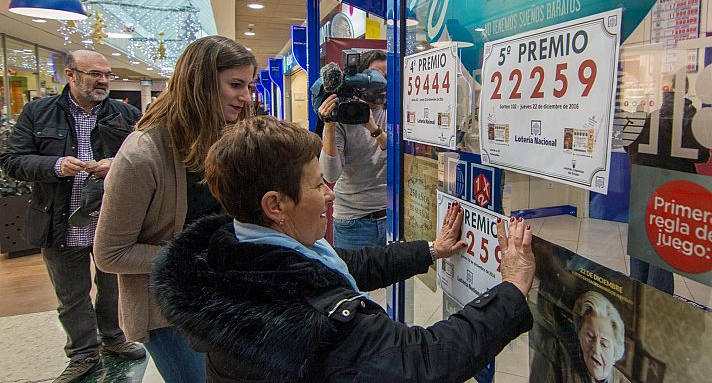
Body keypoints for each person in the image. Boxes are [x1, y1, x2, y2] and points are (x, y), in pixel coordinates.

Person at [151, 116, 536, 382]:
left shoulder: (234, 251)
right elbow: (422, 361)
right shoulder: (313, 322)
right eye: (318, 185)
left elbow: (346, 265)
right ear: (276, 205)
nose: (330, 194)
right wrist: (512, 289)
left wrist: (431, 250)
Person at [93, 36, 257, 383]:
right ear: (199, 83)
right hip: (168, 311)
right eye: (235, 85)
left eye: (249, 85)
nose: (246, 96)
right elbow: (110, 254)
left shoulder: (223, 137)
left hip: (221, 297)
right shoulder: (141, 156)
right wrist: (200, 256)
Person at [0, 50, 144, 382]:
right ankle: (82, 353)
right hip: (58, 218)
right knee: (71, 294)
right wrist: (55, 166)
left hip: (111, 217)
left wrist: (115, 164)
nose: (103, 80)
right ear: (71, 74)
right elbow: (12, 160)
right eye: (95, 73)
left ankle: (114, 338)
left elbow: (146, 154)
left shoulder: (125, 114)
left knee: (113, 286)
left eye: (106, 74)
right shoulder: (38, 113)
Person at [625, 75, 709, 295]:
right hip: (670, 193)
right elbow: (701, 154)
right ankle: (656, 303)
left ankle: (638, 299)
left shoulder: (650, 117)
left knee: (641, 247)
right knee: (660, 252)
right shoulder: (686, 118)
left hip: (643, 186)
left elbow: (631, 147)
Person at [319, 49, 389, 250]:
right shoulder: (343, 118)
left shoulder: (395, 112)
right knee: (355, 281)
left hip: (393, 215)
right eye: (375, 76)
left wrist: (374, 130)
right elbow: (330, 174)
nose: (382, 84)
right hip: (354, 222)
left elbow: (400, 160)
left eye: (386, 77)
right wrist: (330, 124)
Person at [571, 291, 630, 383]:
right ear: (579, 333)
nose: (596, 349)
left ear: (615, 351)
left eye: (604, 344)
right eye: (589, 336)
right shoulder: (560, 359)